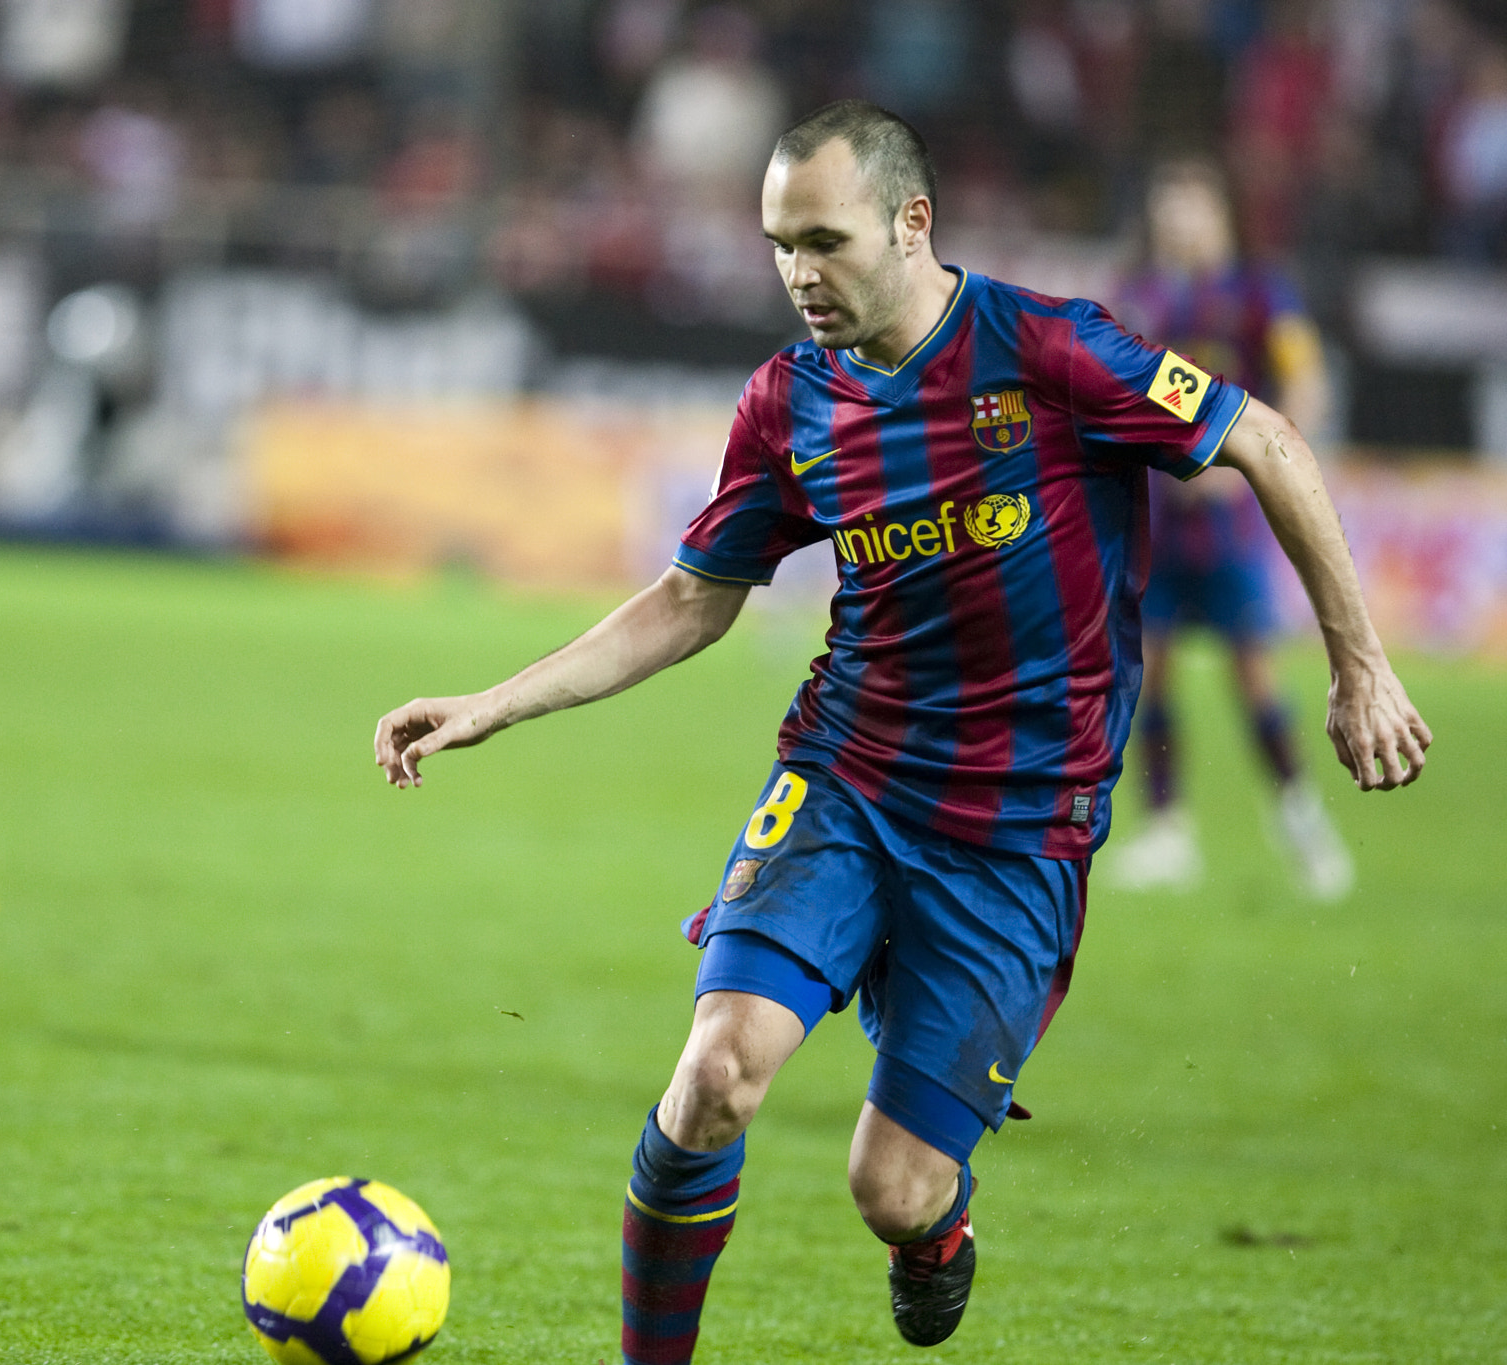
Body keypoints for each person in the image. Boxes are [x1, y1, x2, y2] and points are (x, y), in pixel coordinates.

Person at [372, 101, 1430, 1358]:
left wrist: (1356, 665)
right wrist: (492, 703)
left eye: (822, 239)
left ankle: (935, 1232)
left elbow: (1262, 438)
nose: (796, 273)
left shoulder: (1048, 350)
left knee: (893, 1189)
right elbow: (691, 601)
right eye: (778, 243)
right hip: (845, 781)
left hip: (1016, 829)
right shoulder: (786, 403)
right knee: (713, 1078)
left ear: (909, 222)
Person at [1105, 157, 1353, 899]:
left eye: (1192, 204)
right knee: (1151, 670)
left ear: (1220, 215)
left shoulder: (1256, 292)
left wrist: (1270, 456)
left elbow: (1305, 376)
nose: (1178, 219)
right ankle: (1167, 831)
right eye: (1166, 205)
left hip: (1231, 521)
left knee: (1254, 673)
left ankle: (1302, 820)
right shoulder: (1136, 296)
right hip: (1153, 516)